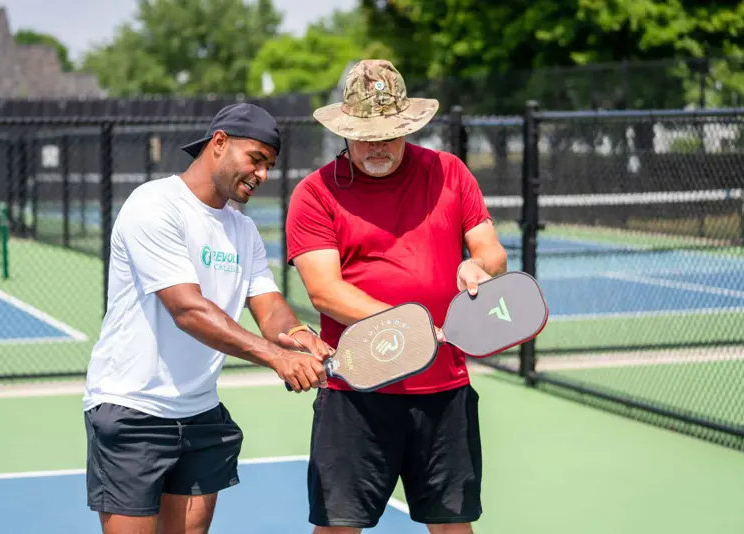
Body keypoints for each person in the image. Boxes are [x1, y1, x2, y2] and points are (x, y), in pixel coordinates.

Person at [82, 102, 333, 534]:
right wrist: (277, 358)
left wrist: (296, 335)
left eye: (270, 165)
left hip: (200, 413)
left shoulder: (243, 230)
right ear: (219, 143)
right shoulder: (155, 205)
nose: (263, 174)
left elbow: (269, 305)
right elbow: (188, 310)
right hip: (133, 410)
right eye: (256, 159)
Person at [285, 59, 508, 533]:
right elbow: (325, 291)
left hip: (445, 389)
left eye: (389, 133)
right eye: (365, 135)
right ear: (345, 130)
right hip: (355, 393)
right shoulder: (315, 193)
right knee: (338, 527)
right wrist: (408, 325)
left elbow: (491, 252)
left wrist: (477, 265)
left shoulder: (449, 172)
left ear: (409, 126)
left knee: (453, 525)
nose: (377, 146)